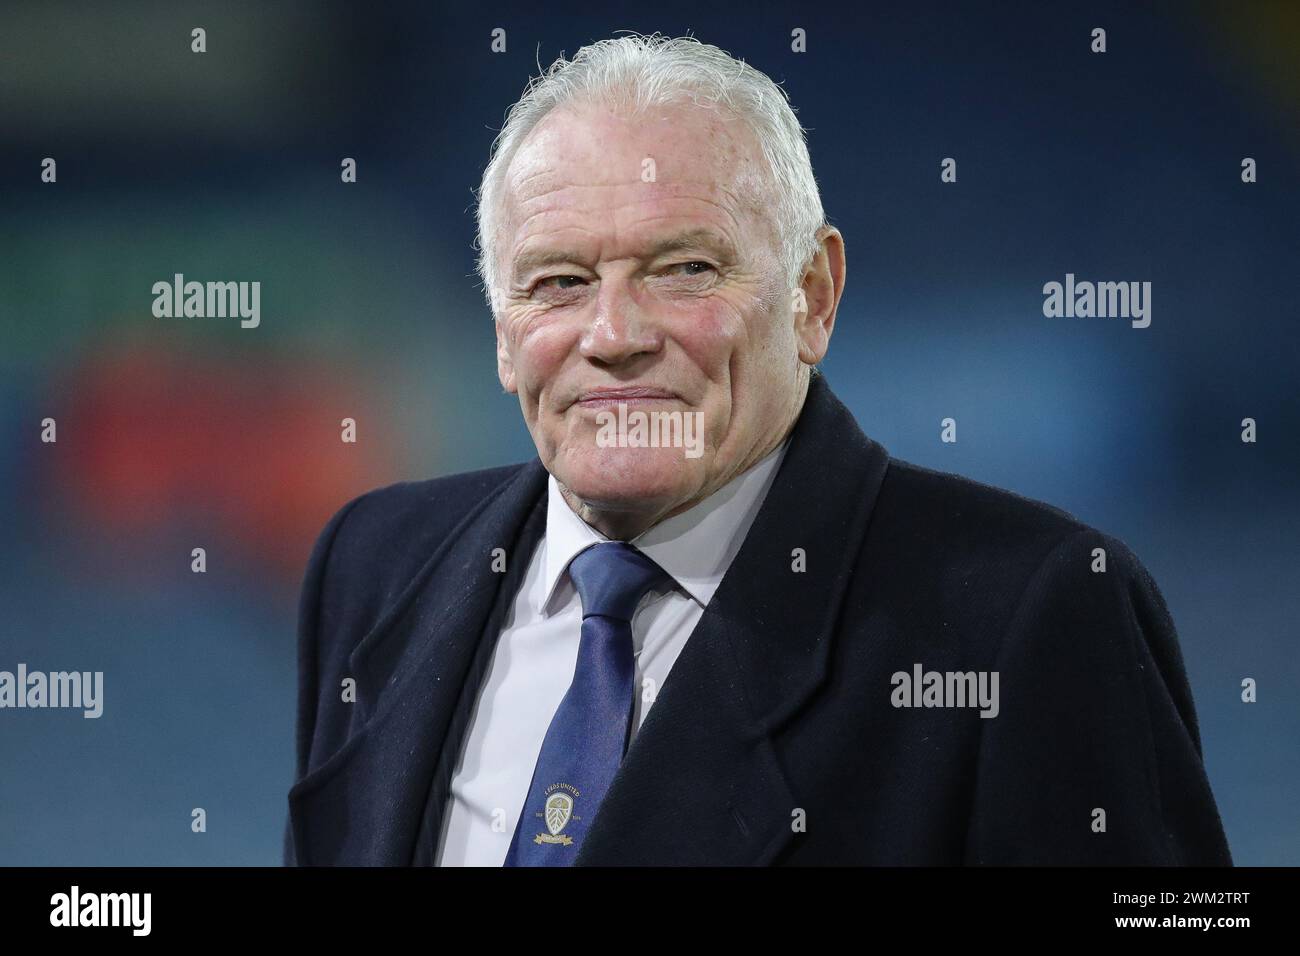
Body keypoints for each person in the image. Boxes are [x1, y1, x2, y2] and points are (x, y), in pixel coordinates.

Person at [284, 34, 1231, 866]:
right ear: (501, 332)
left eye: (686, 269)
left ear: (812, 296)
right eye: (559, 281)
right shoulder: (374, 566)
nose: (612, 333)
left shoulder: (1028, 614)